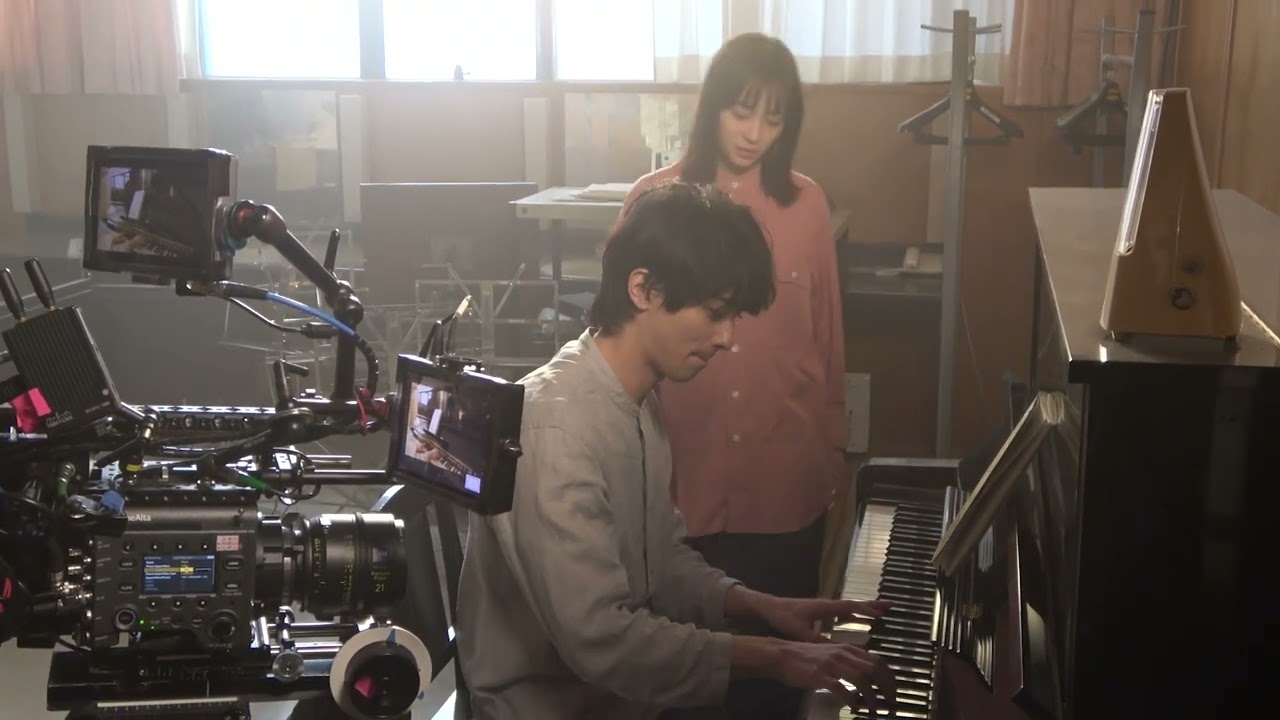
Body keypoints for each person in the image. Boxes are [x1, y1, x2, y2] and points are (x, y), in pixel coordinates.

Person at [455, 182, 893, 719]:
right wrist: (777, 657)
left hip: (623, 702)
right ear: (644, 289)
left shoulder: (636, 400)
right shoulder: (553, 428)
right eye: (714, 312)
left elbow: (659, 558)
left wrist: (761, 606)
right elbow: (603, 640)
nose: (728, 337)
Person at [620, 33, 846, 719]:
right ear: (712, 107)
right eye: (741, 112)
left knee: (775, 681)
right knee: (681, 680)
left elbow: (829, 341)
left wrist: (832, 458)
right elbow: (618, 336)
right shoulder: (653, 199)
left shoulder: (807, 205)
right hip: (678, 486)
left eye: (773, 119)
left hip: (784, 486)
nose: (754, 134)